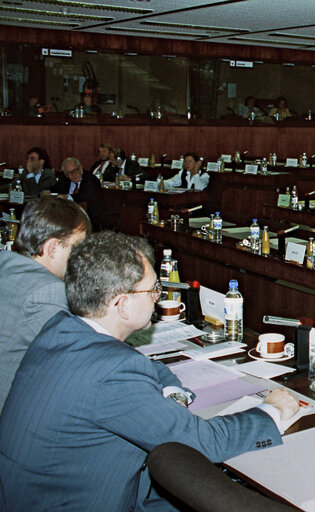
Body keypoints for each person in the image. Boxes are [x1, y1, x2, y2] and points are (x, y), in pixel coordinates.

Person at [0, 231, 299, 511]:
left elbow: (144, 366)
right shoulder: (113, 371)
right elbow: (203, 442)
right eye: (153, 289)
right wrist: (270, 411)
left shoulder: (60, 329)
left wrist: (171, 392)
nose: (158, 296)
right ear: (122, 304)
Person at [0, 196, 90, 412]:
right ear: (52, 248)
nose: (81, 259)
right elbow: (82, 360)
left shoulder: (5, 262)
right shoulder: (49, 292)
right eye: (77, 249)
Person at [52, 157, 104, 229]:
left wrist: (68, 197)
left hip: (86, 218)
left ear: (81, 168)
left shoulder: (91, 179)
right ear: (66, 175)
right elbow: (55, 190)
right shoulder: (63, 179)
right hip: (65, 217)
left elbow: (85, 196)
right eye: (70, 173)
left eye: (76, 170)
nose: (74, 174)